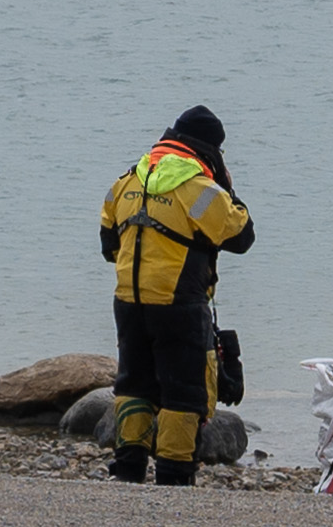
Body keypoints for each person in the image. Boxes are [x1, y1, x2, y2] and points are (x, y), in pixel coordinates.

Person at [98, 106, 254, 485]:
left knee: (134, 386)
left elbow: (108, 243)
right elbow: (241, 235)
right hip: (178, 305)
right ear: (210, 151)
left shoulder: (128, 180)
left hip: (128, 303)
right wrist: (228, 187)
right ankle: (173, 477)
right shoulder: (197, 188)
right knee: (184, 394)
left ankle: (129, 470)